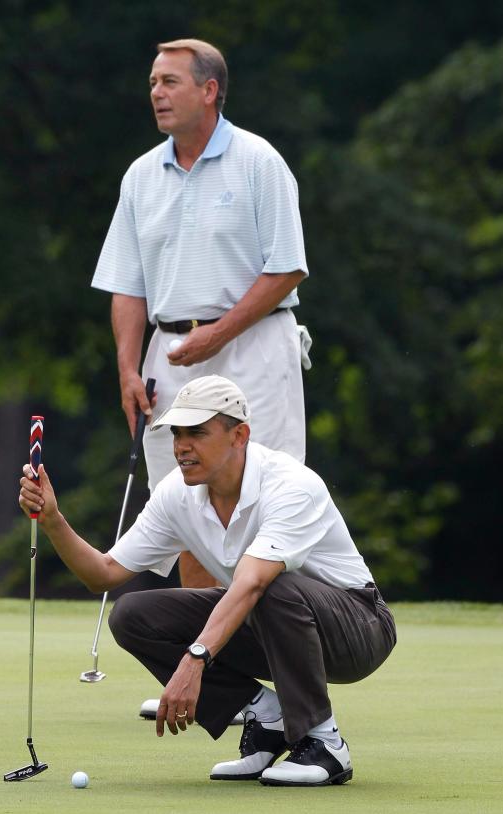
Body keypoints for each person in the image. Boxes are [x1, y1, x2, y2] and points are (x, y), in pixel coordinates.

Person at [18, 376, 396, 786]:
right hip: (271, 624)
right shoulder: (176, 494)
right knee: (132, 615)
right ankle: (266, 718)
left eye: (197, 433)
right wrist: (54, 521)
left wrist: (194, 659)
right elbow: (103, 575)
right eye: (177, 433)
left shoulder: (291, 485)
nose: (182, 446)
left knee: (269, 584)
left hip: (359, 629)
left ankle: (324, 742)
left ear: (239, 435)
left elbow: (252, 584)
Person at [91, 38, 309, 591]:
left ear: (209, 91)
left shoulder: (260, 162)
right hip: (170, 358)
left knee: (263, 502)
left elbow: (287, 269)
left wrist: (219, 335)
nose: (156, 95)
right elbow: (127, 287)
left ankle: (266, 660)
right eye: (152, 84)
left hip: (254, 347)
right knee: (186, 505)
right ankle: (209, 671)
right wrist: (126, 373)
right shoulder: (140, 176)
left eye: (170, 83)